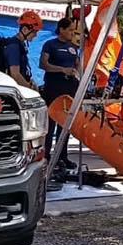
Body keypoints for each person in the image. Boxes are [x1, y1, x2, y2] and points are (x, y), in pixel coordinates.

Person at [39, 17, 81, 173]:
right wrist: (61, 70)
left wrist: (78, 74)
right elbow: (43, 64)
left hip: (69, 88)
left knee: (66, 123)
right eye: (70, 30)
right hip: (53, 87)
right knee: (51, 123)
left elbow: (77, 65)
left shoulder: (74, 47)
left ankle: (62, 156)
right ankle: (47, 156)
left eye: (73, 30)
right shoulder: (50, 44)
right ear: (61, 30)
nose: (72, 33)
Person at [0, 11, 42, 91]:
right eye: (34, 32)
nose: (36, 35)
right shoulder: (14, 46)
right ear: (24, 30)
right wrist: (29, 88)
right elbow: (15, 75)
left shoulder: (19, 45)